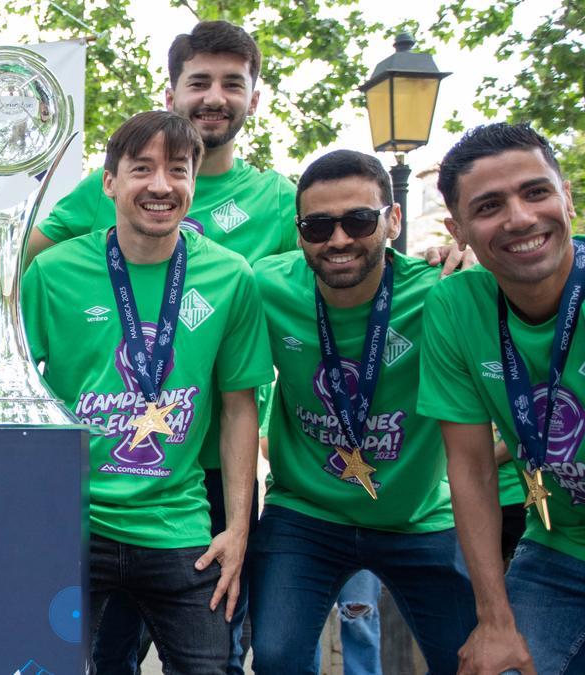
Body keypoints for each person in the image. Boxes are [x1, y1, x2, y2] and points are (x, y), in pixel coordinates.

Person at [23, 110, 272, 673]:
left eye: (177, 170)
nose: (161, 185)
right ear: (109, 183)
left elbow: (239, 409)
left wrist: (236, 530)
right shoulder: (53, 272)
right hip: (72, 524)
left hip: (178, 523)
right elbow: (18, 396)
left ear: (193, 182)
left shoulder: (231, 277)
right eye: (142, 169)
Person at [247, 149, 476, 674]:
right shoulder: (267, 286)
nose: (339, 239)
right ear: (300, 231)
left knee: (473, 659)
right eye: (318, 225)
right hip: (305, 513)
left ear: (393, 221)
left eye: (359, 219)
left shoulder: (441, 291)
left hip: (416, 516)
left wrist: (474, 258)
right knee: (277, 656)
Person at [419, 122, 584, 674]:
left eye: (536, 192)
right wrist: (494, 620)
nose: (519, 218)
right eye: (489, 206)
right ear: (458, 230)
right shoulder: (453, 306)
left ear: (567, 198)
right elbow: (469, 469)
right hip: (559, 549)